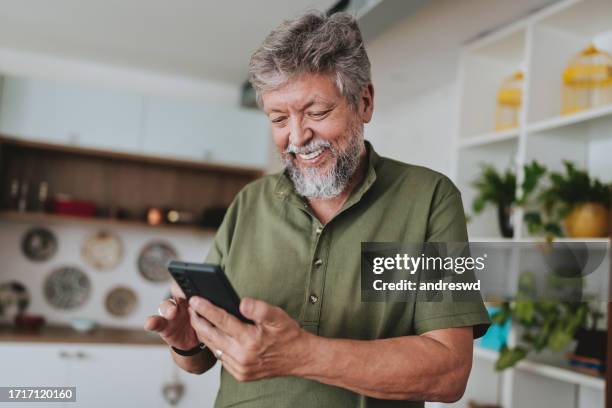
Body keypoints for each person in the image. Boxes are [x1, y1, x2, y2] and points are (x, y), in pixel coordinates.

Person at [145, 10, 490, 408]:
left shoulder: (428, 198)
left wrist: (303, 354)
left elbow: (449, 371)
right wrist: (188, 345)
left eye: (316, 112)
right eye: (278, 118)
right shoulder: (249, 203)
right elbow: (203, 359)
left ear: (364, 102)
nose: (297, 137)